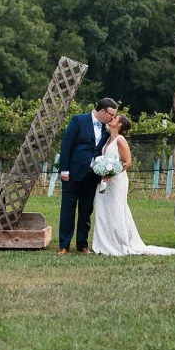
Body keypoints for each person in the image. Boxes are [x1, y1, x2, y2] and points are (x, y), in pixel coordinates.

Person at [91, 113, 175, 256]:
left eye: (114, 118)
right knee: (103, 210)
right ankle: (105, 243)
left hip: (116, 180)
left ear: (119, 124)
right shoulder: (108, 139)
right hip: (105, 181)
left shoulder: (120, 140)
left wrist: (111, 173)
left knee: (117, 209)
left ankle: (121, 243)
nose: (111, 119)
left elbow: (127, 162)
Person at [57, 97, 117, 255]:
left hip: (92, 176)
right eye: (111, 114)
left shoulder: (107, 129)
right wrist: (64, 170)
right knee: (68, 210)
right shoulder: (79, 120)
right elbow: (66, 144)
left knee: (86, 211)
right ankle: (64, 245)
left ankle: (82, 244)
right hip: (72, 174)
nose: (112, 118)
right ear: (102, 111)